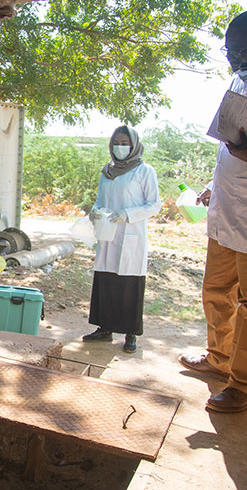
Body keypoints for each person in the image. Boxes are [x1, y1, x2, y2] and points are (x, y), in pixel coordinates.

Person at [178, 10, 247, 414]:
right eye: (229, 48)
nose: (234, 56)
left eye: (243, 47)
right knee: (216, 291)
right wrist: (214, 186)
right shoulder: (240, 81)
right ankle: (220, 359)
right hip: (226, 212)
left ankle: (245, 387)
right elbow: (230, 143)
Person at [83, 126, 161, 353]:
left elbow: (154, 205)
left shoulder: (144, 171)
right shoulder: (107, 171)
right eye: (116, 142)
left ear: (134, 144)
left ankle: (130, 334)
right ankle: (104, 328)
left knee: (129, 285)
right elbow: (100, 199)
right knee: (106, 280)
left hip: (130, 236)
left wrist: (128, 214)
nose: (120, 146)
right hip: (108, 234)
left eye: (125, 142)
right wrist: (95, 210)